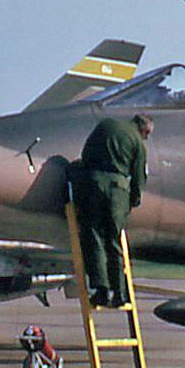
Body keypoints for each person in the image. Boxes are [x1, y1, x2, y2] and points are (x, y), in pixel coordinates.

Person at [70, 113, 152, 308]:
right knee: (114, 240)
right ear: (143, 129)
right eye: (147, 134)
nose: (146, 137)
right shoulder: (139, 144)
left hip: (94, 185)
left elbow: (86, 154)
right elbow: (139, 178)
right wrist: (134, 201)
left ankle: (101, 290)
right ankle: (120, 293)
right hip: (119, 193)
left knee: (94, 236)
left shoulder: (106, 125)